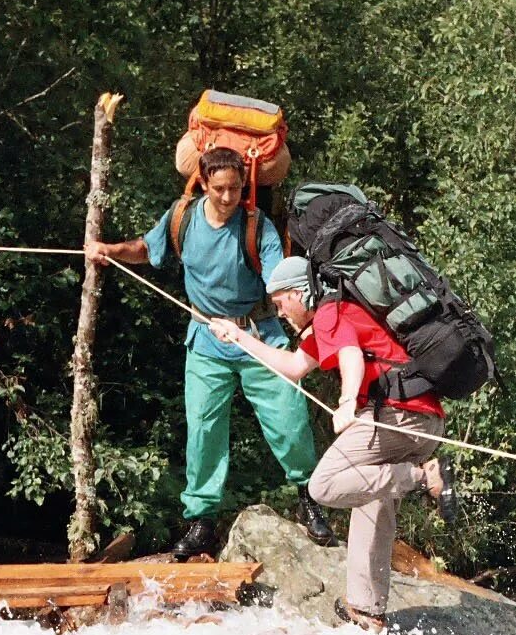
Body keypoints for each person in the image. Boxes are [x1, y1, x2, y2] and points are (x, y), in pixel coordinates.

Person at [86, 147, 335, 558]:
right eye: (219, 189)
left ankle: (310, 498)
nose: (228, 197)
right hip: (205, 339)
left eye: (235, 188)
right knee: (203, 430)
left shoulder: (258, 227)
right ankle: (201, 522)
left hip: (258, 334)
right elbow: (148, 250)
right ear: (203, 183)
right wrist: (109, 251)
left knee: (289, 421)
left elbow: (279, 276)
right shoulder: (183, 217)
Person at [206, 256, 457, 631]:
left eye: (279, 302)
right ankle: (367, 611)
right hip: (424, 418)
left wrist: (346, 401)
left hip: (398, 415)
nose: (280, 312)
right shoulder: (327, 322)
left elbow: (352, 356)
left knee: (323, 485)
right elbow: (293, 367)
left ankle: (425, 477)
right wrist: (239, 337)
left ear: (297, 292)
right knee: (373, 498)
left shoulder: (330, 313)